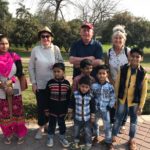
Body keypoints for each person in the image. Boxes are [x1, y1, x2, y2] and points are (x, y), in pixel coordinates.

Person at [28, 26, 63, 140]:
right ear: (40, 38)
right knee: (42, 106)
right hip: (40, 84)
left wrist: (56, 67)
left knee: (52, 106)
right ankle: (41, 128)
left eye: (47, 36)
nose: (45, 38)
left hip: (53, 83)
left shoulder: (56, 49)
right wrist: (33, 83)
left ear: (51, 38)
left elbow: (61, 64)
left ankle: (49, 125)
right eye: (43, 36)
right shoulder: (35, 50)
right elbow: (31, 67)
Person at [112, 47, 148, 150]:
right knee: (118, 117)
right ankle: (113, 136)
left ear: (141, 58)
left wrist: (141, 105)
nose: (135, 59)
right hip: (122, 99)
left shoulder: (143, 73)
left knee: (133, 120)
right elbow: (117, 84)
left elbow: (144, 91)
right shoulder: (123, 68)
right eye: (133, 56)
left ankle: (131, 139)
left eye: (138, 57)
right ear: (129, 57)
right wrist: (115, 99)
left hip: (135, 101)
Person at [0, 35, 27, 144]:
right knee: (5, 113)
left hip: (15, 88)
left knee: (17, 111)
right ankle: (8, 133)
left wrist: (10, 82)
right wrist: (4, 86)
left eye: (6, 43)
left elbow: (19, 72)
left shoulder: (14, 56)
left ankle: (20, 132)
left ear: (9, 44)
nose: (4, 46)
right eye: (1, 43)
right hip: (1, 90)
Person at [106, 25, 130, 132]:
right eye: (116, 38)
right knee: (112, 102)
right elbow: (107, 68)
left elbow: (131, 67)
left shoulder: (127, 51)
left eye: (120, 38)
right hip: (113, 82)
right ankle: (112, 121)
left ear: (124, 40)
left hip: (125, 83)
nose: (118, 40)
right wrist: (111, 80)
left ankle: (122, 123)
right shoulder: (109, 52)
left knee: (124, 103)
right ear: (112, 39)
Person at [44, 63, 71, 148]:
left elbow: (68, 98)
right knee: (52, 124)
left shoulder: (67, 84)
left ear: (63, 72)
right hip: (52, 109)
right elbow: (46, 97)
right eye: (54, 71)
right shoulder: (50, 83)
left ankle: (62, 138)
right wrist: (46, 109)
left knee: (62, 124)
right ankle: (50, 138)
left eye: (58, 71)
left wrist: (68, 109)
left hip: (62, 109)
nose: (56, 73)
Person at [91, 65, 116, 150]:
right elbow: (91, 96)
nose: (101, 75)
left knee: (107, 126)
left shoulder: (110, 86)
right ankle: (96, 136)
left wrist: (110, 106)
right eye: (99, 73)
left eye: (103, 73)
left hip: (106, 109)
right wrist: (92, 106)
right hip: (96, 109)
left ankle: (108, 141)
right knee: (95, 123)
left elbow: (113, 97)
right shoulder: (93, 86)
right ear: (97, 75)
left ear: (107, 74)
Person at [68, 76, 95, 150]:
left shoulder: (90, 96)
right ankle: (76, 141)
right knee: (76, 130)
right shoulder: (75, 94)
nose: (84, 89)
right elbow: (71, 104)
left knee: (87, 131)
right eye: (82, 86)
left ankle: (88, 144)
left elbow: (93, 108)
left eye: (86, 87)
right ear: (79, 85)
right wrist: (70, 113)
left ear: (89, 87)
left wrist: (92, 117)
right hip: (77, 118)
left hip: (87, 119)